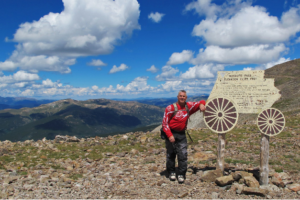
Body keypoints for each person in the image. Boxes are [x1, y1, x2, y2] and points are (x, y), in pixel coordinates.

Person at [162, 90, 206, 183]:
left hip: (182, 134)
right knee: (171, 154)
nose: (182, 97)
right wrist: (170, 135)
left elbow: (201, 102)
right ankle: (171, 172)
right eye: (180, 96)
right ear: (177, 97)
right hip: (171, 133)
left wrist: (202, 104)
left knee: (183, 154)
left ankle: (181, 173)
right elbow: (165, 124)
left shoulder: (188, 106)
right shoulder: (170, 108)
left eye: (184, 96)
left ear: (186, 98)